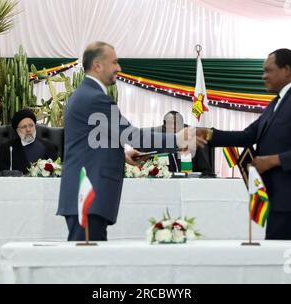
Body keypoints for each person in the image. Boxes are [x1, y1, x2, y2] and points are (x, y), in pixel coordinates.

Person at [57, 41, 205, 242]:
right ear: (98, 65)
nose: (119, 68)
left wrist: (123, 155)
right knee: (86, 266)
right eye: (115, 62)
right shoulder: (96, 98)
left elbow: (92, 140)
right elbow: (133, 136)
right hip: (89, 195)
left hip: (84, 195)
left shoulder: (85, 95)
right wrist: (178, 139)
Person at [200, 48, 291, 240]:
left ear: (286, 70)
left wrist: (274, 160)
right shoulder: (278, 102)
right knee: (277, 249)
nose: (263, 76)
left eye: (268, 70)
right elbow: (247, 136)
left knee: (277, 251)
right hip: (280, 192)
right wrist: (209, 134)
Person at [0, 108, 59, 175]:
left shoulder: (48, 147)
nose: (28, 129)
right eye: (23, 127)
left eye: (31, 125)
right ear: (17, 130)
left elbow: (57, 173)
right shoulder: (7, 149)